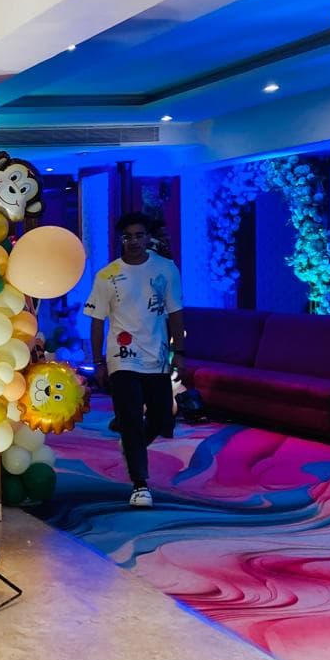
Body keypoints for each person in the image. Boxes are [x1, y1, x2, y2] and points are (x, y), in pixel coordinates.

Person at [84, 212, 184, 508]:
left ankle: (131, 443)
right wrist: (99, 361)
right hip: (122, 358)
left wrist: (180, 351)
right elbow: (96, 320)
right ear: (121, 240)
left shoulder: (166, 269)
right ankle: (140, 484)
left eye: (139, 235)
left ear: (147, 237)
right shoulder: (107, 275)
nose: (134, 241)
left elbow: (176, 312)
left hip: (156, 356)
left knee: (162, 418)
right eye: (128, 236)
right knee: (129, 417)